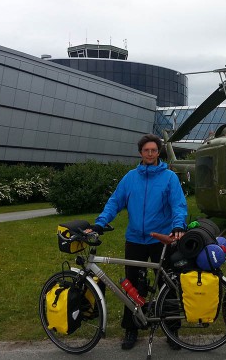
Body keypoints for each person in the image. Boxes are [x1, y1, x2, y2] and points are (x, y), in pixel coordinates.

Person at [91, 134, 188, 350]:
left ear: (159, 152)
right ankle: (131, 328)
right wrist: (100, 223)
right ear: (140, 153)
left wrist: (178, 225)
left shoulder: (169, 178)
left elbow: (178, 205)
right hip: (135, 239)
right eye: (146, 150)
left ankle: (172, 330)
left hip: (160, 240)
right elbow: (114, 202)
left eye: (154, 150)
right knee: (132, 285)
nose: (150, 154)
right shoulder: (130, 178)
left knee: (167, 285)